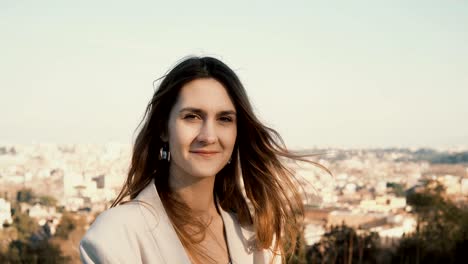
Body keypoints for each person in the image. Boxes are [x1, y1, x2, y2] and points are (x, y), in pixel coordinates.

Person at [80, 56, 321, 264]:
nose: (208, 136)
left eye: (224, 119)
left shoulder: (257, 237)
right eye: (192, 116)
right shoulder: (116, 234)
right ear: (164, 128)